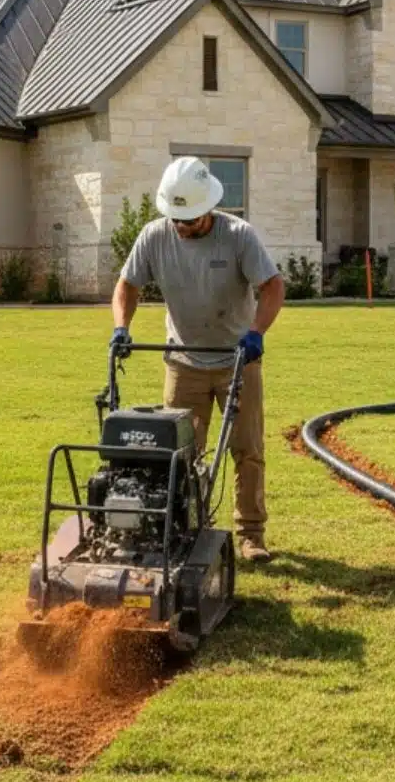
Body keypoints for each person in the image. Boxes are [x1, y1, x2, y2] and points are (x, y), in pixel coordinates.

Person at [111, 156, 285, 563]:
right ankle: (184, 528)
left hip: (237, 362)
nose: (181, 226)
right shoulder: (154, 237)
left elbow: (273, 286)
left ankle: (251, 535)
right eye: (176, 218)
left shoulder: (239, 236)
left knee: (247, 450)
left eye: (188, 219)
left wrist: (256, 332)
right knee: (178, 452)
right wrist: (121, 327)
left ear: (208, 208)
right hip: (182, 360)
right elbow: (127, 285)